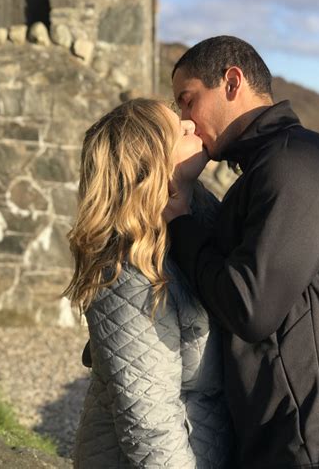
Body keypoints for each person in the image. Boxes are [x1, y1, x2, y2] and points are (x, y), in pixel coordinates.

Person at [166, 36, 319, 469]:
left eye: (187, 100)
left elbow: (250, 307)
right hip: (292, 441)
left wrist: (178, 224)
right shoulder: (270, 165)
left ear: (232, 82)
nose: (186, 121)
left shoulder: (298, 163)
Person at [64, 98, 233, 469]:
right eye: (178, 127)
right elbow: (148, 425)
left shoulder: (200, 218)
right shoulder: (125, 271)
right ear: (151, 162)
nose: (191, 124)